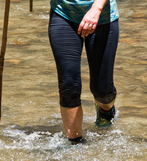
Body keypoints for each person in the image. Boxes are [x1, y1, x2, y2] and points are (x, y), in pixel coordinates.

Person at [48, 0, 119, 144]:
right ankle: (75, 143)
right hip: (63, 14)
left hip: (102, 17)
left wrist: (96, 9)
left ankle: (105, 111)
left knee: (102, 91)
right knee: (69, 85)